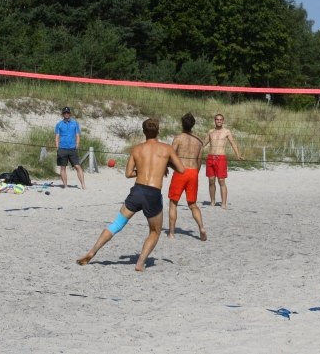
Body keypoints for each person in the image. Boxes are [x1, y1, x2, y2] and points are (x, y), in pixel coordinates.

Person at [77, 118, 185, 271]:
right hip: (152, 193)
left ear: (143, 132)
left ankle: (92, 251)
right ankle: (140, 263)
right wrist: (164, 164)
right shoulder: (167, 149)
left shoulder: (136, 149)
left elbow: (128, 173)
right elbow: (181, 169)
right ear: (158, 131)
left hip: (137, 191)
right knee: (155, 231)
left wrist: (143, 170)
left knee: (117, 224)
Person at [167, 112, 208, 241]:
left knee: (173, 203)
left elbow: (170, 156)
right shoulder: (199, 141)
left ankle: (172, 233)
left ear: (182, 123)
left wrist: (169, 167)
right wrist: (195, 173)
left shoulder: (178, 138)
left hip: (181, 171)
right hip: (193, 172)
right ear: (193, 125)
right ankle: (201, 227)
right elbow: (199, 160)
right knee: (193, 204)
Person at [204, 113, 242, 208]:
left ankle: (223, 203)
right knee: (211, 181)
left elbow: (233, 143)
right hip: (210, 157)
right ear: (215, 120)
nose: (219, 121)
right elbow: (203, 144)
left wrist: (238, 155)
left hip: (221, 158)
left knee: (221, 181)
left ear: (223, 121)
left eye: (221, 119)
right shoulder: (211, 132)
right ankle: (212, 202)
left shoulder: (227, 131)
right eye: (217, 119)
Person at [54, 107, 85, 189]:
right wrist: (58, 148)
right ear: (62, 114)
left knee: (77, 166)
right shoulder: (59, 124)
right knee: (63, 167)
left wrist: (77, 145)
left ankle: (83, 185)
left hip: (72, 149)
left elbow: (77, 135)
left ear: (70, 114)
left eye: (68, 113)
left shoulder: (75, 123)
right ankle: (65, 185)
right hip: (62, 149)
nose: (66, 114)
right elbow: (57, 137)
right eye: (65, 113)